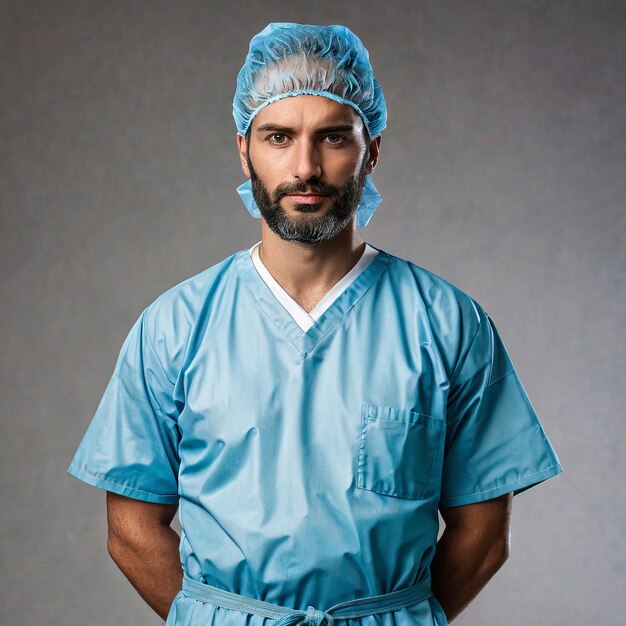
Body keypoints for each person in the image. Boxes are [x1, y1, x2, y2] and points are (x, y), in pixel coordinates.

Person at [67, 22, 562, 626]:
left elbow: (483, 534)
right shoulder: (175, 327)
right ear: (244, 149)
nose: (306, 166)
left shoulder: (445, 324)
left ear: (371, 149)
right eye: (279, 136)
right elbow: (131, 528)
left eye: (332, 137)